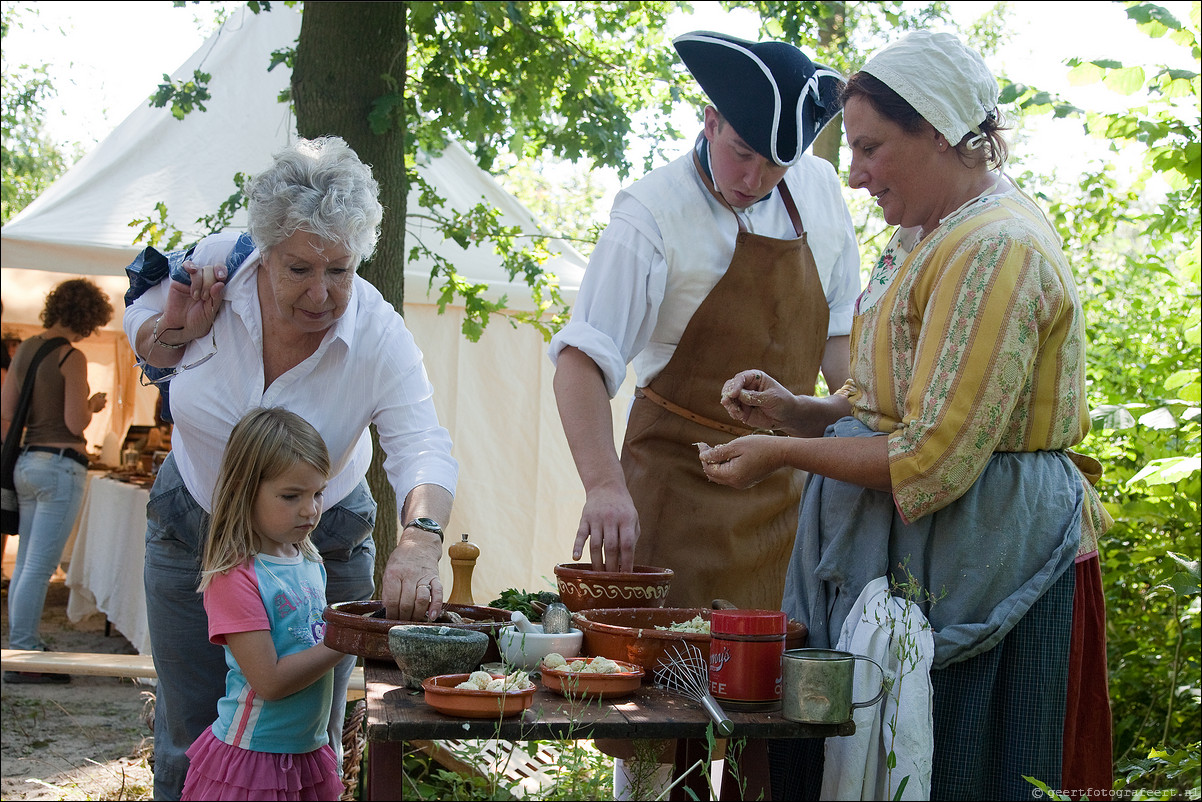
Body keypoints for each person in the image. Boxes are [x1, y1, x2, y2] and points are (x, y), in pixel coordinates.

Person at [700, 31, 1113, 800]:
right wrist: (801, 412)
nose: (854, 176)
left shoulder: (998, 249)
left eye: (871, 148)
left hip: (985, 556)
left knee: (961, 762)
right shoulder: (921, 234)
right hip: (901, 550)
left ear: (939, 130)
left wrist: (781, 453)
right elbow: (886, 404)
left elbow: (931, 457)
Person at [548, 30, 859, 799]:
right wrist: (603, 485)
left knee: (774, 735)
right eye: (743, 152)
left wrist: (836, 423)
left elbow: (844, 346)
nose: (754, 178)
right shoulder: (650, 213)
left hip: (788, 500)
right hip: (673, 494)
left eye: (775, 163)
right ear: (711, 118)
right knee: (663, 736)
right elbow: (581, 363)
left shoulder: (818, 192)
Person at [124, 136, 458, 800]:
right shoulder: (216, 264)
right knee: (187, 739)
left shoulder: (379, 335)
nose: (321, 293)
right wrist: (175, 331)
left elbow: (422, 443)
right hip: (195, 528)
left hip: (320, 543)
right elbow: (139, 322)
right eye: (300, 269)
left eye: (340, 270)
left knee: (304, 738)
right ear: (266, 251)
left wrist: (421, 538)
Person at [179, 407, 345, 801]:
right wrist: (347, 639)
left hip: (306, 751)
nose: (310, 509)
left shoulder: (308, 561)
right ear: (244, 489)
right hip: (254, 758)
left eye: (318, 492)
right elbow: (269, 682)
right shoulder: (234, 576)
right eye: (291, 496)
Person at [2, 279, 111, 683]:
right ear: (86, 317)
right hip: (60, 464)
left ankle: (21, 645)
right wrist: (91, 405)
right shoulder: (72, 355)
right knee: (38, 567)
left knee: (27, 563)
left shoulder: (27, 347)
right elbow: (74, 422)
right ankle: (24, 652)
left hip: (26, 462)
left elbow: (7, 409)